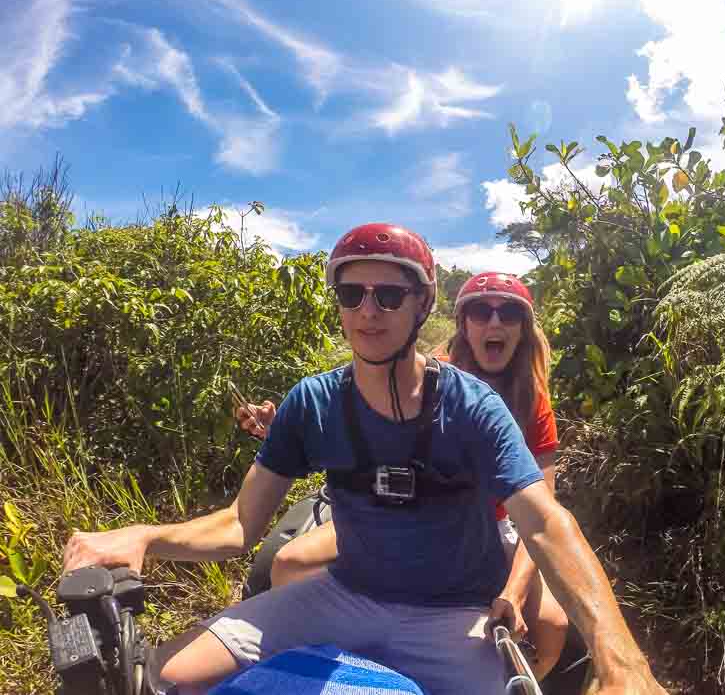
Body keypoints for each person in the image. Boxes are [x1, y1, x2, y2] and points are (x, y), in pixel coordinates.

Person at [62, 223, 666, 695]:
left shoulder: (473, 405)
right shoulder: (313, 402)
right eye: (352, 293)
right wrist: (143, 536)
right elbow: (240, 524)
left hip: (453, 614)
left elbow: (544, 519)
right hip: (347, 594)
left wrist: (622, 660)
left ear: (421, 304)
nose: (368, 311)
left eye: (388, 293)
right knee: (163, 676)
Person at [240, 271, 570, 680]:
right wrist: (282, 429)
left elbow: (540, 511)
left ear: (524, 329)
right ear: (464, 325)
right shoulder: (428, 377)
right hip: (402, 510)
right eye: (481, 311)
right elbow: (360, 417)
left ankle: (513, 682)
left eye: (509, 314)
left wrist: (514, 591)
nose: (494, 323)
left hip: (493, 527)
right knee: (288, 561)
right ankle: (327, 667)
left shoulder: (532, 403)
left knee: (553, 626)